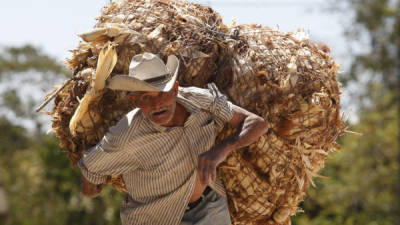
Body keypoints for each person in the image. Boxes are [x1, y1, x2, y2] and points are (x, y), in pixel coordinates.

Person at [78, 52, 268, 225]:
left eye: (162, 93)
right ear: (134, 101)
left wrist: (222, 149)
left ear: (175, 90)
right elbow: (90, 167)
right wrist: (91, 189)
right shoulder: (126, 135)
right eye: (146, 97)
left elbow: (256, 123)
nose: (157, 104)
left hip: (210, 209)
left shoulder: (201, 101)